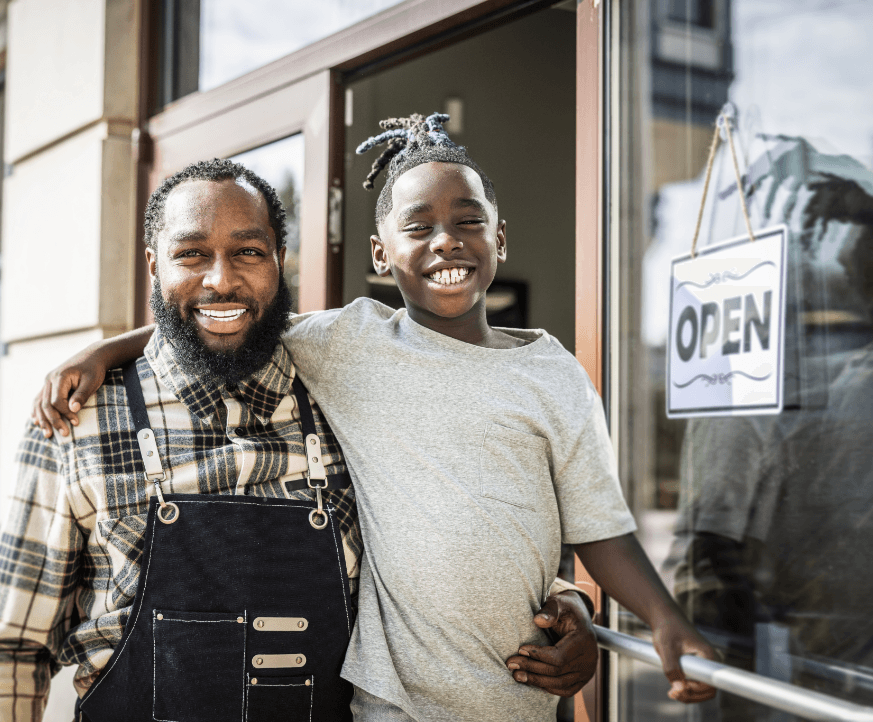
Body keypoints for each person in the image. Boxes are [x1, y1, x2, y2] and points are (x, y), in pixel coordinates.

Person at [31, 114, 717, 721]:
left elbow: (590, 524)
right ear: (380, 254)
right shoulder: (346, 344)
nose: (446, 243)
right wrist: (104, 351)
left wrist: (622, 613)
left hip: (520, 699)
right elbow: (220, 317)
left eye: (468, 221)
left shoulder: (538, 373)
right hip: (390, 704)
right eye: (417, 227)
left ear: (499, 238)